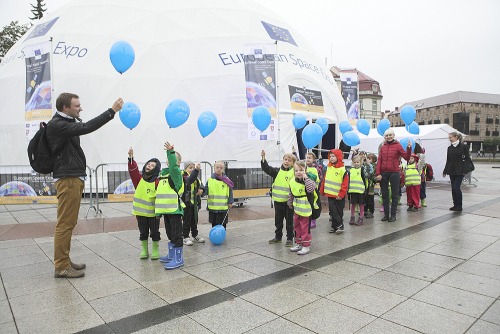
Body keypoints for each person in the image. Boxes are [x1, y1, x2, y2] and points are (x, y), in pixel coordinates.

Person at [47, 93, 123, 278]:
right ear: (65, 107)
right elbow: (87, 127)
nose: (80, 108)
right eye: (77, 106)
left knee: (69, 222)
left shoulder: (64, 123)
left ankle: (64, 260)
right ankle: (61, 265)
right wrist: (111, 111)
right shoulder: (59, 124)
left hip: (72, 177)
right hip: (68, 178)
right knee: (65, 223)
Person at [128, 148, 161, 259]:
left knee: (155, 232)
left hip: (153, 214)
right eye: (148, 164)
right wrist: (131, 159)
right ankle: (145, 250)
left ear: (156, 169)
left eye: (152, 166)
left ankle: (155, 250)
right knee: (143, 232)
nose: (149, 166)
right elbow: (133, 171)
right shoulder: (139, 179)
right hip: (141, 213)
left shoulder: (157, 181)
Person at [157, 142, 186, 269]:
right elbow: (160, 196)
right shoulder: (163, 176)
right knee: (169, 233)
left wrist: (170, 152)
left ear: (178, 162)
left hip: (174, 210)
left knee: (176, 234)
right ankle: (171, 255)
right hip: (166, 211)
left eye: (172, 159)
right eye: (167, 159)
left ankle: (178, 259)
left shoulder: (175, 174)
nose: (168, 161)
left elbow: (173, 167)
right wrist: (158, 212)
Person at [261, 150, 296, 246]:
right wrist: (263, 159)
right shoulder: (277, 171)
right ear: (282, 161)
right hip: (278, 201)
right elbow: (266, 168)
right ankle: (278, 237)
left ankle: (289, 238)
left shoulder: (294, 173)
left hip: (289, 203)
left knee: (289, 221)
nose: (286, 162)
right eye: (285, 159)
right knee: (278, 220)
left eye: (289, 160)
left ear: (293, 163)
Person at [376, 129, 412, 222]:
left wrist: (408, 149)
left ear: (394, 135)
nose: (389, 137)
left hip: (394, 172)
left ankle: (393, 215)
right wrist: (378, 173)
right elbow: (379, 160)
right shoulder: (383, 147)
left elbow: (406, 157)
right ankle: (386, 215)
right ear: (385, 137)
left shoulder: (398, 145)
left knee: (395, 194)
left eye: (390, 135)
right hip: (384, 172)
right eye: (387, 135)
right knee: (384, 194)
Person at [288, 160, 317, 255]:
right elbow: (291, 192)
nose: (298, 172)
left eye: (301, 170)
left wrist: (306, 178)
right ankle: (299, 243)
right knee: (297, 226)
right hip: (297, 209)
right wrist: (290, 202)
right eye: (296, 170)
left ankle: (306, 245)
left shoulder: (308, 180)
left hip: (306, 210)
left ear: (305, 170)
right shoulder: (292, 180)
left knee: (305, 228)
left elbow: (310, 189)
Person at [321, 149, 349, 234]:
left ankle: (338, 225)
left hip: (338, 195)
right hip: (330, 194)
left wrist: (341, 194)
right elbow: (325, 179)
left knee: (339, 211)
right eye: (330, 156)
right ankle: (337, 225)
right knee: (333, 211)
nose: (331, 158)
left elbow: (345, 184)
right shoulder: (329, 167)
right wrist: (322, 191)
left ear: (338, 157)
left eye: (333, 156)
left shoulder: (342, 169)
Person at [443, 132, 469, 211]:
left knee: (456, 187)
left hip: (460, 170)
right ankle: (455, 204)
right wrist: (445, 171)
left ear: (456, 137)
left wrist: (465, 170)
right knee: (453, 188)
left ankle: (459, 205)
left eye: (451, 137)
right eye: (449, 138)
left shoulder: (463, 147)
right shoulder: (450, 148)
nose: (450, 139)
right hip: (452, 170)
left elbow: (467, 159)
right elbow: (448, 160)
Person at [203, 161, 233, 229]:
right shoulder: (210, 180)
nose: (219, 169)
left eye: (221, 168)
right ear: (214, 168)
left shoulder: (227, 180)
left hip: (223, 207)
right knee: (214, 223)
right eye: (217, 167)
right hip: (213, 207)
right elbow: (206, 189)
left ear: (223, 169)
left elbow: (230, 191)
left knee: (223, 223)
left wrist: (230, 202)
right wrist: (201, 193)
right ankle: (215, 235)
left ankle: (222, 235)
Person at [181, 162, 205, 246]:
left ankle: (195, 235)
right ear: (185, 169)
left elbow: (201, 184)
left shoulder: (196, 177)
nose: (191, 169)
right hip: (186, 203)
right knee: (186, 220)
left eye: (193, 168)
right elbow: (189, 180)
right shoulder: (184, 176)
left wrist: (201, 189)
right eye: (190, 168)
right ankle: (185, 236)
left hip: (194, 204)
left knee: (194, 220)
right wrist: (196, 170)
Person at [348, 155, 366, 226]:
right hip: (353, 191)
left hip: (360, 191)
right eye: (354, 162)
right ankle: (352, 217)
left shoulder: (362, 169)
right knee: (353, 204)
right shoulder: (351, 170)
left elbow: (368, 173)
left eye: (358, 162)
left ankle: (361, 218)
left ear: (361, 162)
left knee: (361, 204)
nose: (356, 163)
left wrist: (368, 164)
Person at [305, 152, 321, 228]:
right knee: (308, 205)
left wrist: (319, 188)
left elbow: (320, 177)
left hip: (314, 190)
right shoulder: (304, 167)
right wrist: (294, 152)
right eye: (307, 157)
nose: (308, 159)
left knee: (314, 205)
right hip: (306, 189)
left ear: (313, 159)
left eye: (309, 158)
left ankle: (313, 220)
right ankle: (307, 219)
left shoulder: (316, 167)